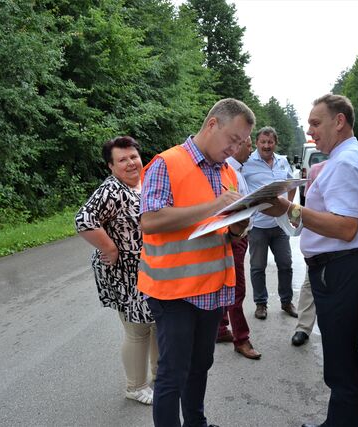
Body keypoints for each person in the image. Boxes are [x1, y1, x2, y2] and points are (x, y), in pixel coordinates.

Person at [138, 98, 255, 427]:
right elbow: (150, 220)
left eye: (241, 143)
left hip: (212, 289)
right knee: (172, 374)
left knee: (200, 364)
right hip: (172, 291)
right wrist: (216, 206)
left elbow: (231, 232)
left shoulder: (228, 171)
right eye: (232, 139)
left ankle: (196, 423)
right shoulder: (167, 163)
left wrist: (241, 220)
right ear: (212, 124)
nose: (234, 148)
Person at [264, 94, 358, 427]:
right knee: (340, 354)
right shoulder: (347, 157)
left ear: (339, 120)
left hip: (341, 267)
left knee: (340, 359)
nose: (311, 132)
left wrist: (288, 208)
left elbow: (345, 227)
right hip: (343, 266)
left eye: (316, 123)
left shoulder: (345, 162)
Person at [75, 136, 158, 405]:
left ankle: (161, 377)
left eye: (133, 156)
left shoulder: (144, 183)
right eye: (122, 159)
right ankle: (135, 386)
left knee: (158, 324)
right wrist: (110, 249)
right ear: (111, 166)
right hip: (125, 273)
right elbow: (84, 220)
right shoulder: (112, 189)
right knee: (138, 330)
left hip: (152, 269)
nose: (131, 163)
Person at [242, 126, 298, 320]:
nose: (266, 146)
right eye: (263, 142)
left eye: (270, 142)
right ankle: (260, 304)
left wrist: (290, 207)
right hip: (257, 226)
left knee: (286, 264)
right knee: (257, 267)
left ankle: (286, 302)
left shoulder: (282, 161)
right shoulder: (246, 162)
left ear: (275, 143)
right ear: (256, 143)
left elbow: (291, 183)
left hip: (280, 224)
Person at [216, 136, 261, 360]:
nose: (251, 150)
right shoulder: (228, 171)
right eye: (249, 145)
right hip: (234, 236)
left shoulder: (236, 170)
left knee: (228, 284)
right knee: (237, 289)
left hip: (241, 234)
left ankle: (221, 328)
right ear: (237, 146)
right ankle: (241, 339)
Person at [291, 160, 327, 347]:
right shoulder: (316, 169)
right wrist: (294, 218)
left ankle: (332, 331)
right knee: (309, 284)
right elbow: (304, 205)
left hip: (339, 243)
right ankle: (303, 328)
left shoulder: (348, 167)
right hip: (315, 242)